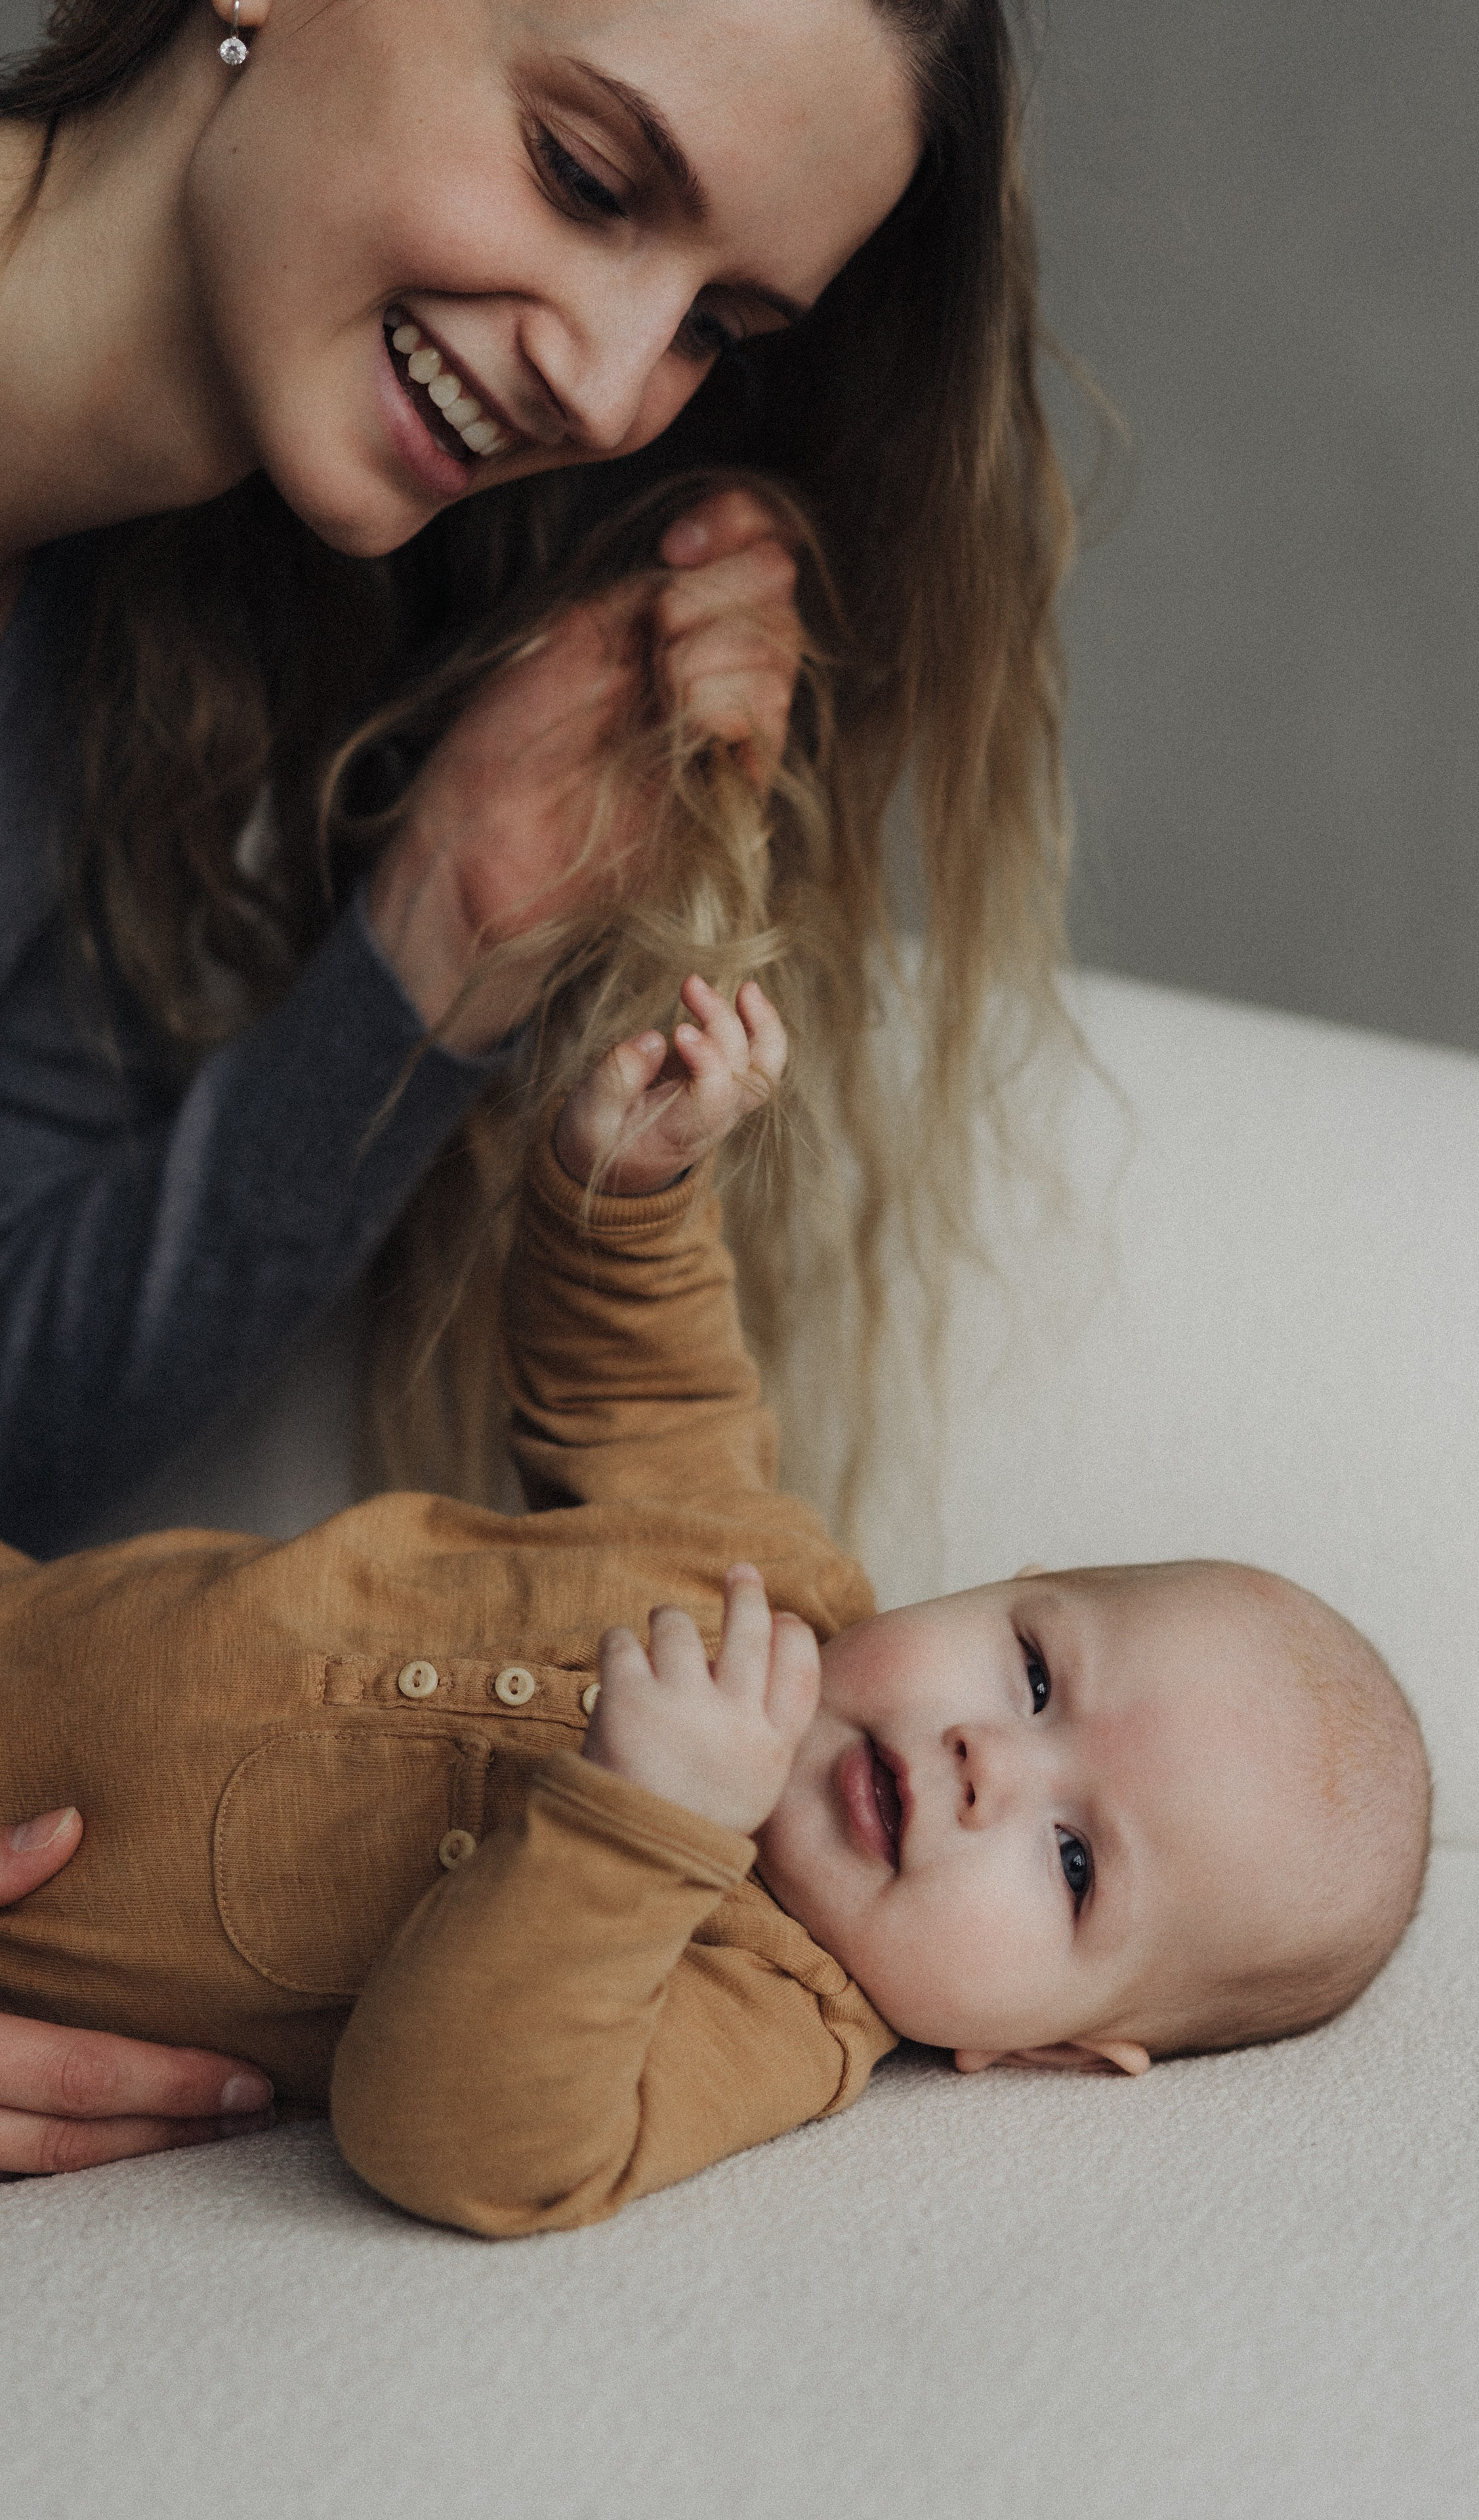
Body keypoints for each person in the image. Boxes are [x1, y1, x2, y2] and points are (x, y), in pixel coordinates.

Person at [0, 0, 1074, 2160]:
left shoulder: (142, 633)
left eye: (716, 328)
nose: (602, 383)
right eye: (589, 178)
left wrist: (449, 940)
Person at [0, 977, 1433, 2226]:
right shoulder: (762, 1577)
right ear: (999, 1584)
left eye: (1072, 1866)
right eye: (1037, 1679)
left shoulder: (769, 2007)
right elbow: (643, 1379)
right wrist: (627, 1189)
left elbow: (464, 2139)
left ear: (1049, 2048)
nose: (987, 1766)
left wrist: (645, 1828)